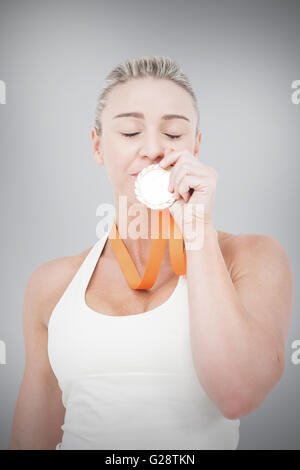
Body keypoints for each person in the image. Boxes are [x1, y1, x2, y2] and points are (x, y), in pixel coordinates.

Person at [8, 55, 293, 450]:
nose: (154, 149)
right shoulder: (51, 285)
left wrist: (198, 232)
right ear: (97, 146)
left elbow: (237, 395)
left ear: (196, 145)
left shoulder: (251, 258)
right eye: (129, 132)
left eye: (174, 134)